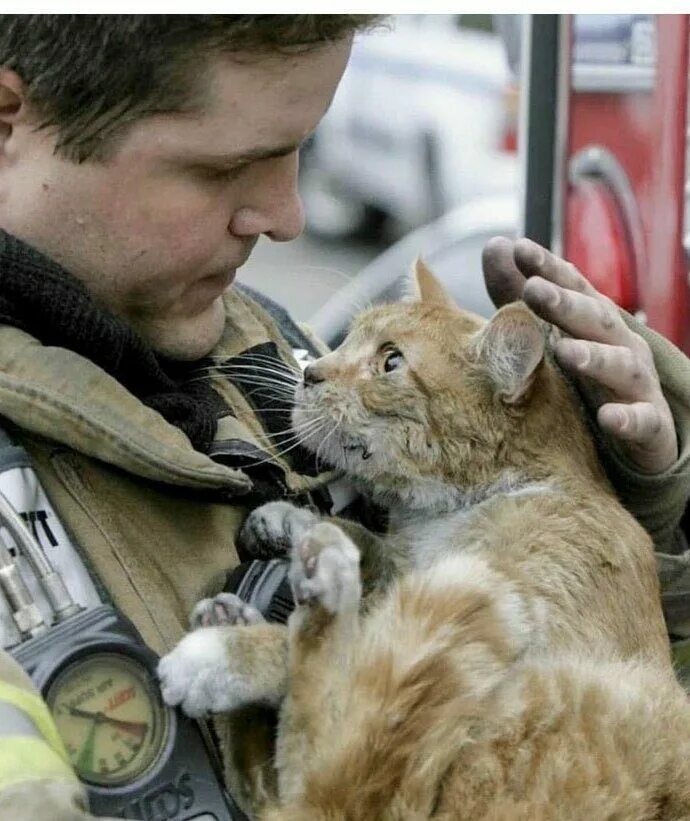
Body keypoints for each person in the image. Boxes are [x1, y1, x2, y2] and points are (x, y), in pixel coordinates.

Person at [0, 13, 688, 821]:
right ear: (11, 121)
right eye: (228, 166)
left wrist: (629, 509)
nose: (289, 215)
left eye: (299, 149)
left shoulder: (265, 343)